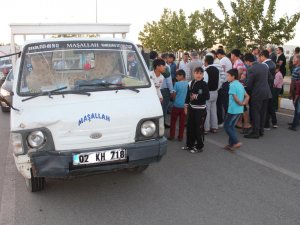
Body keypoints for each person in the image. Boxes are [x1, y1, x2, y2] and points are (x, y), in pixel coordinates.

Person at [244, 53, 272, 139]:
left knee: (256, 113)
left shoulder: (251, 69)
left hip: (257, 93)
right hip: (266, 92)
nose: (246, 64)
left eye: (245, 62)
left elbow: (249, 84)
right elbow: (270, 78)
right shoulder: (264, 66)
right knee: (263, 113)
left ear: (248, 61)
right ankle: (261, 131)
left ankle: (255, 132)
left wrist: (244, 87)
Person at [182, 67, 210, 153]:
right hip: (191, 108)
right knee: (190, 128)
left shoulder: (204, 84)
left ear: (202, 75)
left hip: (200, 110)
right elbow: (188, 95)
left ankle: (199, 147)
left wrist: (196, 96)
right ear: (193, 74)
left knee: (199, 129)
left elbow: (207, 96)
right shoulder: (191, 83)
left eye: (200, 73)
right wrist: (186, 106)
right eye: (197, 73)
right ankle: (189, 145)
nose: (198, 75)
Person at [224, 69, 249, 151]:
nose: (227, 77)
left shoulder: (232, 85)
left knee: (227, 126)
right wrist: (243, 104)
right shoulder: (240, 84)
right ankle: (231, 145)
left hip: (233, 110)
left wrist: (240, 103)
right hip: (239, 110)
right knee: (231, 126)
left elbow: (235, 97)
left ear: (233, 76)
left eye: (228, 75)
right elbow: (247, 96)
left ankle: (236, 142)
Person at [168, 69, 189, 141]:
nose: (176, 77)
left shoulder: (176, 84)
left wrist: (173, 99)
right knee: (182, 122)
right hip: (184, 106)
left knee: (173, 121)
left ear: (182, 76)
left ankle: (172, 135)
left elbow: (174, 94)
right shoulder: (187, 84)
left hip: (176, 105)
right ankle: (180, 137)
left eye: (177, 76)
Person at [259, 50, 278, 129]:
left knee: (265, 107)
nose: (260, 58)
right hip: (271, 86)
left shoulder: (264, 65)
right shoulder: (273, 63)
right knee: (271, 105)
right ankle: (274, 122)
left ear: (263, 56)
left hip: (265, 86)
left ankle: (266, 125)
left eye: (260, 57)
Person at [203, 55, 219, 134]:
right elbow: (219, 82)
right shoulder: (216, 69)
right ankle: (214, 127)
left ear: (206, 62)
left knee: (207, 111)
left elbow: (205, 83)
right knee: (213, 110)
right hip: (215, 92)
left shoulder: (206, 70)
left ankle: (206, 128)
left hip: (208, 92)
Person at [216, 49, 232, 126]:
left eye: (217, 55)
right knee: (226, 102)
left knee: (223, 103)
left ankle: (224, 121)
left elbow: (222, 73)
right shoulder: (228, 60)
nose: (217, 57)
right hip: (228, 82)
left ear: (219, 54)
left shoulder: (222, 61)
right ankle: (228, 120)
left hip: (224, 83)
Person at [160, 53, 174, 128]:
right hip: (165, 90)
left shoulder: (155, 66)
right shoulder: (166, 67)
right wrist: (172, 91)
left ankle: (159, 124)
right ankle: (162, 123)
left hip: (157, 89)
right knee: (164, 108)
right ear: (165, 58)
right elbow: (169, 80)